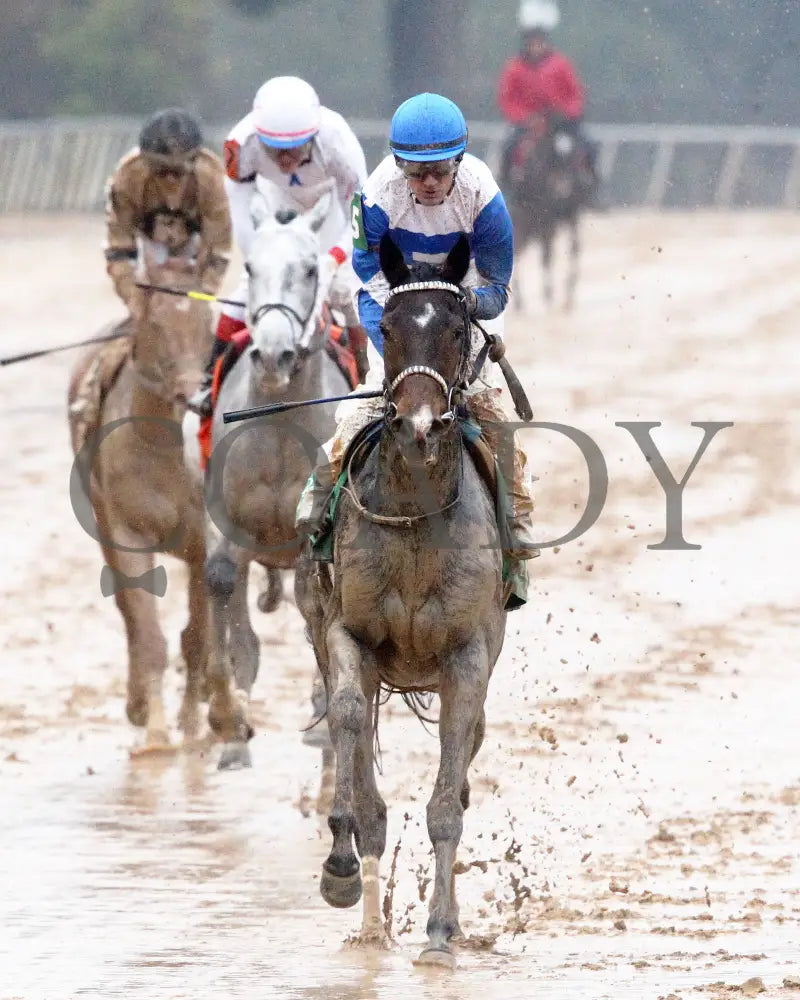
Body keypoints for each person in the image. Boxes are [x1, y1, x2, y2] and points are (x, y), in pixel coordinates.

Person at [295, 92, 537, 564]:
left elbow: (497, 286)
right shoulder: (375, 197)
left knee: (486, 407)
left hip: (465, 291)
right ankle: (320, 490)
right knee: (365, 401)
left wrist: (466, 304)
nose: (427, 183)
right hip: (398, 293)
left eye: (440, 171)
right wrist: (401, 336)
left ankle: (517, 513)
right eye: (415, 172)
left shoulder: (484, 198)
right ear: (398, 165)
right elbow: (366, 272)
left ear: (459, 164)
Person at [187, 76, 370, 417]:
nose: (285, 159)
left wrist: (334, 258)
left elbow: (361, 218)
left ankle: (370, 380)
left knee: (348, 293)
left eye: (295, 148)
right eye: (274, 150)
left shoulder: (339, 142)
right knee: (241, 298)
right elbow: (238, 211)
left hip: (330, 210)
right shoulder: (239, 145)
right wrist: (260, 259)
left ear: (313, 136)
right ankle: (207, 384)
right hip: (274, 206)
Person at [104, 107, 232, 328]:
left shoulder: (212, 179)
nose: (171, 180)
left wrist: (202, 297)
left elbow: (219, 251)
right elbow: (118, 249)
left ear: (194, 162)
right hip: (148, 242)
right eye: (161, 171)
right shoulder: (127, 178)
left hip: (196, 244)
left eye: (179, 172)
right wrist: (135, 301)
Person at [496, 0, 597, 192]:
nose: (536, 46)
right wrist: (525, 118)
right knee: (509, 148)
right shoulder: (514, 68)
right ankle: (506, 190)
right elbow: (507, 100)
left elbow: (575, 94)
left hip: (559, 122)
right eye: (532, 42)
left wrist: (567, 113)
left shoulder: (561, 64)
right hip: (527, 125)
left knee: (588, 146)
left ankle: (593, 188)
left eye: (539, 41)